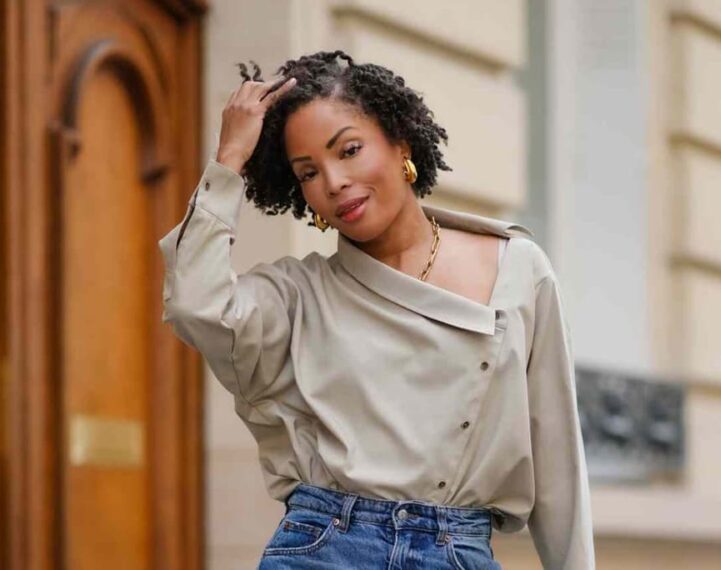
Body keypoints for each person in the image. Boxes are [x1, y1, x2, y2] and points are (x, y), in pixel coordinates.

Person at [158, 50, 595, 569]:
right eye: (308, 172)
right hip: (323, 548)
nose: (334, 182)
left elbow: (556, 454)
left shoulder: (517, 269)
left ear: (400, 142)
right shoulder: (297, 296)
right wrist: (230, 158)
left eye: (349, 150)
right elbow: (194, 302)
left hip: (459, 550)